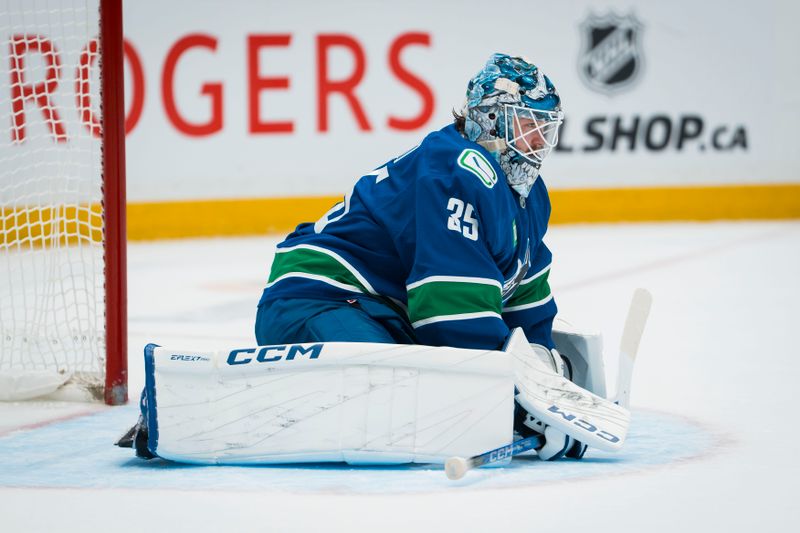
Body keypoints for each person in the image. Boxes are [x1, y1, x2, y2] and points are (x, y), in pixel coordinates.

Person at [255, 53, 564, 355]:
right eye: (528, 125)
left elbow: (523, 292)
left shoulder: (530, 195)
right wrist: (503, 373)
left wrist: (540, 356)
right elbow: (451, 310)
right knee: (384, 376)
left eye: (545, 128)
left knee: (407, 375)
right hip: (320, 296)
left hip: (385, 311)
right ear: (491, 119)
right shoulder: (455, 171)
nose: (539, 140)